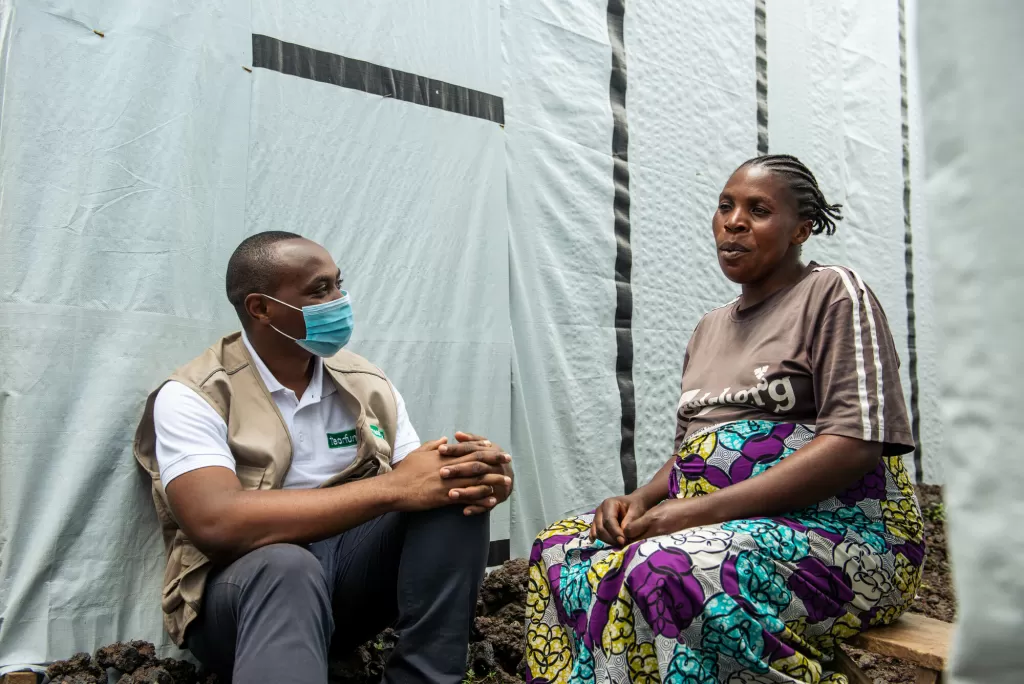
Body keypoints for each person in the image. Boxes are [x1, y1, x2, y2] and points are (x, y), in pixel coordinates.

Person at [525, 155, 924, 683]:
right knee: (562, 548)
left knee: (667, 568)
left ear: (802, 229)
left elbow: (855, 441)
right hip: (724, 527)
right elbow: (694, 453)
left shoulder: (832, 294)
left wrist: (696, 515)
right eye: (725, 206)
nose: (734, 221)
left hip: (847, 534)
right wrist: (640, 500)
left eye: (759, 210)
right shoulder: (707, 330)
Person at [133, 231, 514, 684]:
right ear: (261, 308)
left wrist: (478, 474)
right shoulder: (195, 395)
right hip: (239, 603)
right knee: (287, 567)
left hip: (345, 588)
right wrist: (391, 488)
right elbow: (216, 522)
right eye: (320, 290)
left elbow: (419, 479)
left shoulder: (365, 382)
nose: (340, 299)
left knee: (451, 493)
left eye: (338, 283)